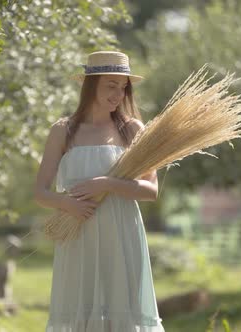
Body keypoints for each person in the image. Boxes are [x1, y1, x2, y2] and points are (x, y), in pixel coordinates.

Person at [34, 51, 165, 332]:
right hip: (77, 234)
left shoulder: (132, 130)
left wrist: (107, 183)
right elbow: (41, 192)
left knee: (122, 312)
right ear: (91, 85)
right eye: (111, 85)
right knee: (80, 314)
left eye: (123, 86)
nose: (119, 94)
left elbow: (151, 190)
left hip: (122, 233)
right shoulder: (63, 130)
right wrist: (67, 205)